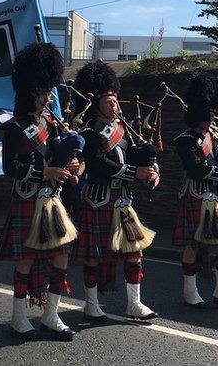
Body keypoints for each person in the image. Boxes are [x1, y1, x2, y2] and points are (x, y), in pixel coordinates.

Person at [0, 42, 81, 341]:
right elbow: (10, 167)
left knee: (62, 256)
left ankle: (50, 315)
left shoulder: (51, 123)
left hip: (52, 200)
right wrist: (45, 172)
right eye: (44, 91)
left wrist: (73, 164)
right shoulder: (15, 127)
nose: (49, 96)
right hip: (28, 197)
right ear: (32, 91)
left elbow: (57, 153)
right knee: (27, 259)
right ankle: (19, 318)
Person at [72, 60, 159, 323]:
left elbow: (134, 155)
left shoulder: (124, 130)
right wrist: (134, 173)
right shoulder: (88, 130)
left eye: (116, 100)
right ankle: (91, 304)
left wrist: (152, 168)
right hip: (99, 199)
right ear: (96, 101)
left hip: (123, 201)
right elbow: (98, 164)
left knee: (134, 253)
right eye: (109, 100)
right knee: (94, 256)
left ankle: (134, 304)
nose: (115, 104)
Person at [173, 73, 218, 308]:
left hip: (214, 197)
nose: (212, 116)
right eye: (209, 112)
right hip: (195, 194)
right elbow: (195, 168)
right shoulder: (184, 139)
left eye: (213, 111)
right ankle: (190, 290)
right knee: (193, 245)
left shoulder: (213, 138)